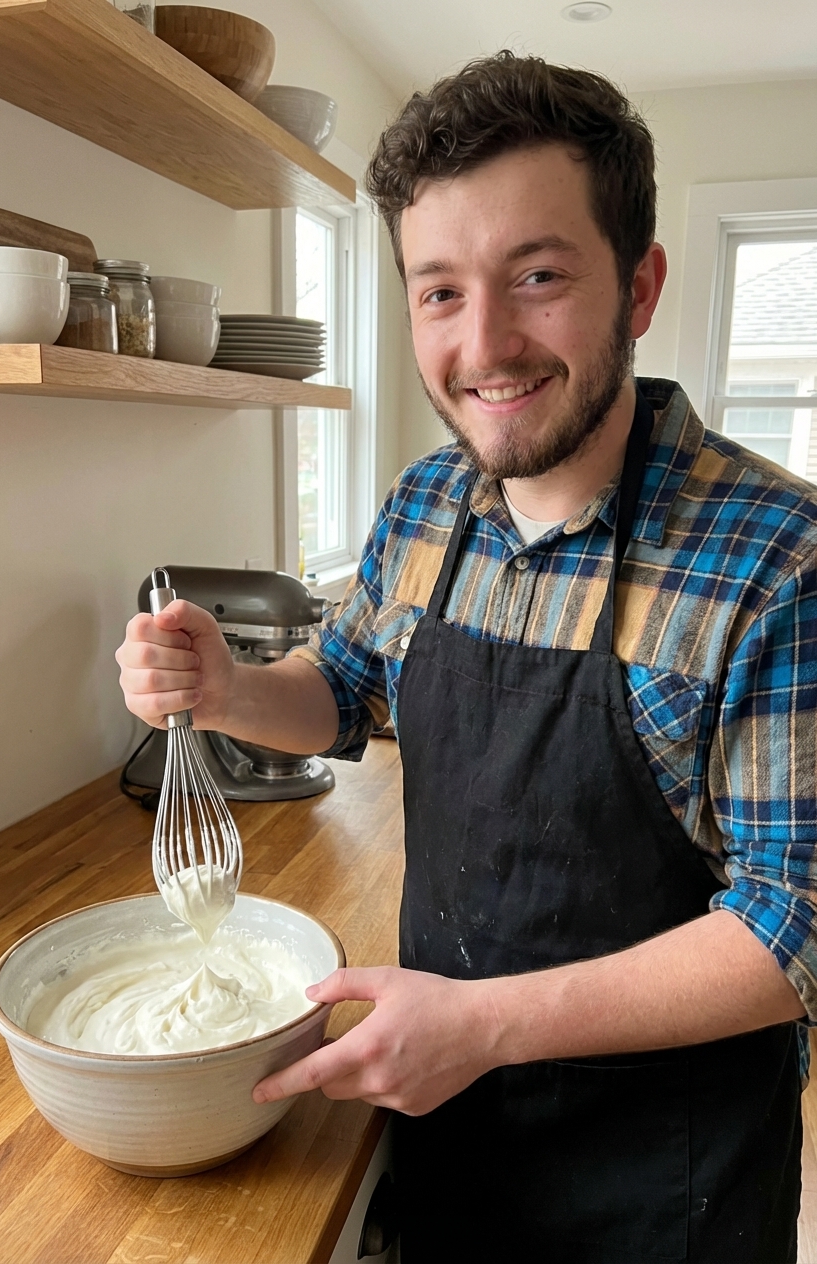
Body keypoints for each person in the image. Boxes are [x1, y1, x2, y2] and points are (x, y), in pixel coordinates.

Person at [116, 53, 817, 1263]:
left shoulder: (776, 560)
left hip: (664, 1177)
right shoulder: (427, 503)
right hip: (446, 1115)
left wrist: (488, 1025)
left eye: (537, 276)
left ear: (639, 286)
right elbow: (341, 696)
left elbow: (794, 922)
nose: (485, 342)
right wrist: (227, 685)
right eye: (439, 291)